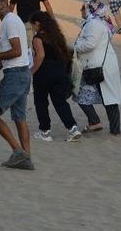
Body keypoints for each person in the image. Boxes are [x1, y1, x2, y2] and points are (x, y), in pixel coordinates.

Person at [0, 0, 34, 170]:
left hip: (16, 76)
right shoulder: (9, 21)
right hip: (21, 73)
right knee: (19, 117)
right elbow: (17, 53)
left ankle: (18, 152)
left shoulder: (10, 22)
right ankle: (26, 157)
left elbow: (17, 50)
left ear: (5, 2)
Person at [28, 11, 82, 142]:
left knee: (41, 102)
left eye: (33, 25)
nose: (33, 28)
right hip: (60, 71)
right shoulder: (57, 35)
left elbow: (40, 56)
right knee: (60, 102)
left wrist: (31, 71)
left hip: (44, 73)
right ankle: (73, 128)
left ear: (38, 23)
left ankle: (45, 132)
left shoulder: (38, 38)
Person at [74, 0, 121, 134]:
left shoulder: (94, 24)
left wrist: (73, 48)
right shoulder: (97, 22)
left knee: (108, 98)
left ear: (90, 9)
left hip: (99, 66)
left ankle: (111, 128)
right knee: (84, 94)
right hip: (97, 64)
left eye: (82, 8)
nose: (80, 11)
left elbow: (90, 44)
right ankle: (97, 123)